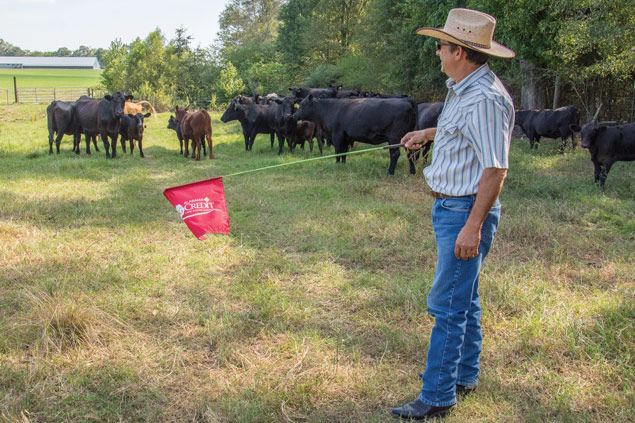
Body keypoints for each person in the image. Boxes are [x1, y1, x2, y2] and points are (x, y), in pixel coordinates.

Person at [391, 8, 516, 420]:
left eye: (442, 47)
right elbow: (464, 131)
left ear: (460, 51)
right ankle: (464, 375)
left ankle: (437, 395)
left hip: (463, 210)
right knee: (466, 298)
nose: (438, 53)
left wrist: (472, 226)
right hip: (450, 206)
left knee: (446, 303)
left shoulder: (485, 97)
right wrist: (429, 133)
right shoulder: (463, 88)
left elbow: (495, 167)